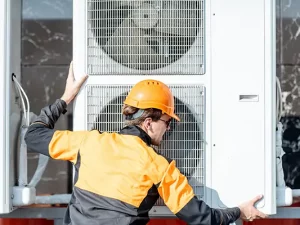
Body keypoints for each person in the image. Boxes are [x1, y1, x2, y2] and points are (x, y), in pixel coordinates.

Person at [25, 62, 267, 225]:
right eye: (167, 121)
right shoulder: (159, 167)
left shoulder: (88, 142)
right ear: (149, 122)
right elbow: (200, 217)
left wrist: (67, 97)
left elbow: (33, 136)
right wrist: (239, 210)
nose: (169, 127)